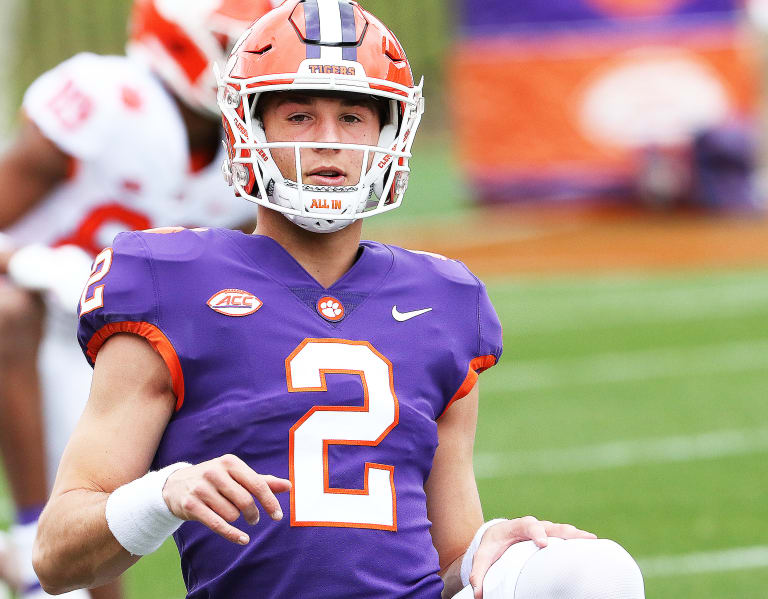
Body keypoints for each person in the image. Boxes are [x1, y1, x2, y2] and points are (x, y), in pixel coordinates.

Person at [32, 1, 646, 598]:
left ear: (389, 132)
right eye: (299, 115)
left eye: (353, 117)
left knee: (593, 571)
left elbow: (447, 558)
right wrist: (163, 494)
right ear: (250, 128)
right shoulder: (171, 280)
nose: (328, 140)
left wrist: (490, 548)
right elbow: (57, 558)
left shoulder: (445, 296)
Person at [0, 1, 275, 597]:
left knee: (96, 564)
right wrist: (30, 262)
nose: (252, 63)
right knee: (8, 312)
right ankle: (24, 534)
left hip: (117, 339)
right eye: (235, 47)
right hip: (35, 311)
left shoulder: (252, 141)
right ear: (178, 40)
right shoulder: (108, 101)